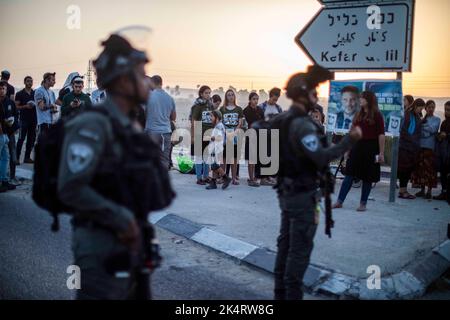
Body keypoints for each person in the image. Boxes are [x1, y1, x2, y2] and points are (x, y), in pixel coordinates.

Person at [57, 33, 173, 299]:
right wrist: (121, 220)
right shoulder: (93, 124)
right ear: (123, 80)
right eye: (141, 74)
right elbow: (71, 187)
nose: (147, 81)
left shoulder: (130, 125)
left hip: (132, 245)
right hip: (101, 247)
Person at [272, 65, 362, 300]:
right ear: (303, 94)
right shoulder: (303, 124)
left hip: (287, 192)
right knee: (299, 252)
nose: (316, 96)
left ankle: (280, 294)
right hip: (303, 197)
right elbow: (321, 156)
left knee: (285, 245)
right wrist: (348, 142)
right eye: (313, 92)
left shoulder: (284, 119)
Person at [333, 91, 385, 211]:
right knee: (349, 175)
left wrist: (381, 153)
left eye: (362, 98)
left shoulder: (377, 115)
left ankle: (363, 204)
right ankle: (339, 201)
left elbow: (381, 135)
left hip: (371, 148)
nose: (360, 100)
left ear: (369, 100)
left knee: (367, 177)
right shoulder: (358, 114)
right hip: (357, 146)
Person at [144, 75, 176, 170]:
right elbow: (173, 117)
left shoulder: (148, 97)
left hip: (151, 132)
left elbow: (144, 114)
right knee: (164, 159)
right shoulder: (170, 98)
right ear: (162, 84)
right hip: (165, 132)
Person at [411, 100, 441, 199]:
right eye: (429, 107)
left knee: (430, 169)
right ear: (426, 108)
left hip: (430, 148)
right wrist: (427, 130)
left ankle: (429, 191)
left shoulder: (437, 119)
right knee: (421, 169)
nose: (431, 109)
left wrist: (425, 126)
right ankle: (422, 190)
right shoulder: (421, 119)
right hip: (421, 146)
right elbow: (421, 132)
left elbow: (433, 129)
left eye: (433, 107)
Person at [397, 98, 425, 199]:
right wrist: (412, 140)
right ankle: (402, 191)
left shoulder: (416, 115)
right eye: (420, 108)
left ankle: (403, 190)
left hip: (412, 148)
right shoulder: (408, 114)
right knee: (404, 169)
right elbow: (404, 130)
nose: (420, 110)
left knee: (408, 169)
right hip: (405, 146)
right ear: (416, 106)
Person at [258, 88, 282, 186]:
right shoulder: (262, 107)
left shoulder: (278, 108)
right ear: (270, 96)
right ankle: (263, 179)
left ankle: (271, 177)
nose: (275, 101)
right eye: (274, 99)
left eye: (276, 99)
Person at [220, 89, 244, 185]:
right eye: (228, 95)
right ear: (226, 97)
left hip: (234, 135)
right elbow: (220, 122)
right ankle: (223, 177)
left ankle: (234, 178)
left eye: (232, 95)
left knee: (234, 158)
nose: (230, 96)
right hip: (225, 135)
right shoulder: (222, 109)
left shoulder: (238, 109)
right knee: (224, 158)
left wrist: (235, 131)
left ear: (234, 96)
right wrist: (225, 131)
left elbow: (240, 122)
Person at [191, 85, 213, 185]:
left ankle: (206, 176)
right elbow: (193, 120)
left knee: (207, 156)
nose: (208, 95)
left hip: (208, 132)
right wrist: (193, 135)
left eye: (209, 93)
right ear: (201, 94)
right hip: (199, 131)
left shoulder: (210, 105)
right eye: (206, 93)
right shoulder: (198, 105)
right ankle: (199, 178)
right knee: (199, 156)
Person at [205, 110, 231, 190]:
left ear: (217, 118)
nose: (210, 118)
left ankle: (226, 177)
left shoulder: (219, 126)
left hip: (217, 149)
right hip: (215, 148)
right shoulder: (217, 126)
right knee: (214, 167)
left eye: (212, 116)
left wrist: (211, 138)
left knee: (215, 165)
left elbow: (220, 138)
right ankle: (213, 182)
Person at [1, 80, 20, 184]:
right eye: (0, 89)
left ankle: (12, 176)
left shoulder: (10, 102)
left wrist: (15, 126)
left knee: (13, 154)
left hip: (10, 132)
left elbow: (16, 115)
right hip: (0, 133)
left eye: (3, 89)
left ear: (6, 90)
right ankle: (2, 177)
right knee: (2, 156)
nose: (1, 91)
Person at [15, 76, 37, 164]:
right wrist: (25, 106)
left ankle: (27, 157)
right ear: (24, 82)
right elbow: (16, 107)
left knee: (31, 140)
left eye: (31, 81)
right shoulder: (20, 93)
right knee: (21, 139)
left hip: (33, 120)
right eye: (28, 81)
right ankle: (16, 158)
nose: (30, 83)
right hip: (23, 120)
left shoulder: (35, 93)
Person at [243, 92, 263, 187]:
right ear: (250, 100)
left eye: (257, 99)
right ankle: (250, 179)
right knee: (251, 159)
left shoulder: (260, 110)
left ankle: (255, 177)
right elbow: (244, 125)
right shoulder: (246, 111)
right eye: (254, 99)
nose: (256, 101)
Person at [434, 101, 450, 200]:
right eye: (446, 110)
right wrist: (439, 136)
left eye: (449, 110)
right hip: (444, 153)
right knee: (443, 173)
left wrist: (447, 135)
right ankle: (443, 192)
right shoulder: (444, 122)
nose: (446, 112)